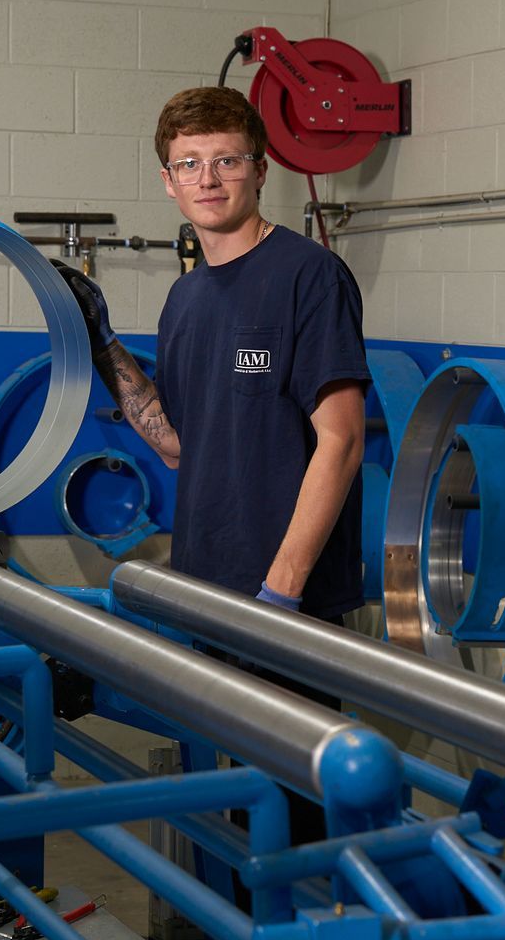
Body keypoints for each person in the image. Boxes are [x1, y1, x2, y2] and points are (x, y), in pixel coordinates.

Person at [58, 85, 368, 622]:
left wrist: (281, 590)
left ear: (260, 171)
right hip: (204, 583)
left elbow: (342, 440)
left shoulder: (309, 275)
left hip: (286, 601)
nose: (207, 179)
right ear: (168, 181)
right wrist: (100, 341)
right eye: (189, 164)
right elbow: (177, 445)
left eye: (227, 160)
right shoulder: (186, 298)